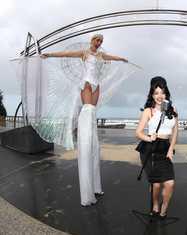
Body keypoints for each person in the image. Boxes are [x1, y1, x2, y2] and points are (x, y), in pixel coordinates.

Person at [42, 34, 128, 206]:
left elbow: (112, 57)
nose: (99, 43)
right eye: (97, 41)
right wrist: (49, 54)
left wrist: (122, 58)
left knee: (92, 112)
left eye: (101, 42)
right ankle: (85, 136)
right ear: (92, 40)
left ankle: (95, 184)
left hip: (97, 85)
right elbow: (64, 55)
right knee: (87, 110)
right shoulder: (83, 53)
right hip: (87, 83)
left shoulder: (101, 56)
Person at [135, 76, 178, 219]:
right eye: (156, 93)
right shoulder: (148, 111)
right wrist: (149, 137)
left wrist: (171, 148)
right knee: (156, 184)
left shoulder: (173, 109)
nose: (160, 96)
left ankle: (164, 208)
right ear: (152, 95)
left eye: (162, 92)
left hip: (165, 148)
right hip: (150, 149)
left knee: (170, 183)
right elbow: (138, 132)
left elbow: (175, 131)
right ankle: (155, 204)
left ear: (166, 93)